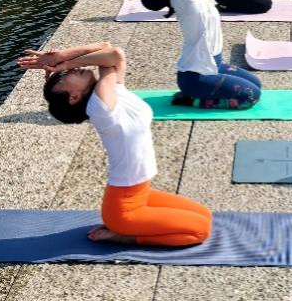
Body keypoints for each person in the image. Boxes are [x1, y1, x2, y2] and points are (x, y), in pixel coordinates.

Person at [18, 42, 212, 247]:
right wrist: (65, 62)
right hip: (125, 210)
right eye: (63, 77)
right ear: (73, 97)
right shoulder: (99, 108)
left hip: (141, 195)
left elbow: (108, 49)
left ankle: (125, 229)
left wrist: (63, 56)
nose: (70, 71)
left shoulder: (113, 91)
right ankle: (125, 236)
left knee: (205, 214)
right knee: (200, 229)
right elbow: (112, 55)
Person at [133, 0, 262, 110]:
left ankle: (194, 94)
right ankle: (193, 99)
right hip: (196, 77)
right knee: (251, 95)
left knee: (256, 83)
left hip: (214, 64)